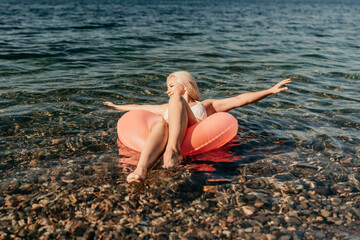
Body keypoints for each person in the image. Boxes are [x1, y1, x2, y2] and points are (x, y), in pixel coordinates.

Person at [104, 71, 291, 183]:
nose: (167, 90)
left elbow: (238, 100)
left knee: (174, 102)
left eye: (170, 85)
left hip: (191, 130)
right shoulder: (167, 106)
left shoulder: (206, 105)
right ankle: (142, 170)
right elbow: (141, 108)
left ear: (184, 85)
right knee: (160, 125)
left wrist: (269, 90)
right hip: (167, 133)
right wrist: (117, 106)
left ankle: (173, 152)